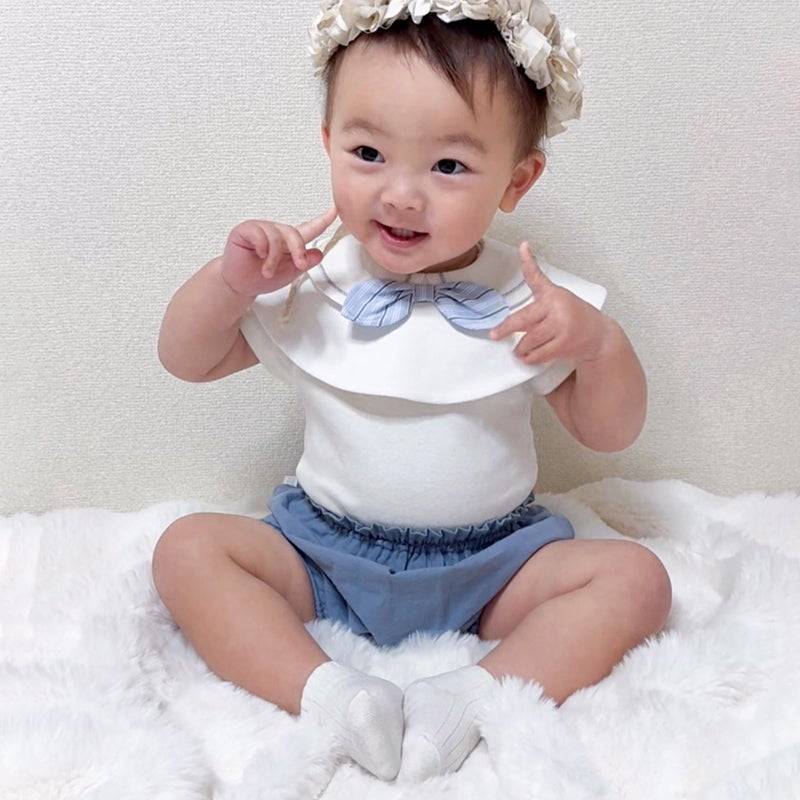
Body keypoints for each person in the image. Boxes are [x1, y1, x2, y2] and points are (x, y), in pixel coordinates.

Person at [152, 0, 672, 784]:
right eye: (368, 152)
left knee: (638, 580)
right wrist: (230, 284)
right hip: (322, 553)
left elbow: (611, 432)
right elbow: (186, 360)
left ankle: (473, 696)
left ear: (517, 181)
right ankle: (328, 693)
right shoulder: (314, 284)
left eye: (448, 166)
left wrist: (600, 345)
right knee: (187, 548)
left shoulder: (528, 301)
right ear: (327, 142)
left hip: (493, 566)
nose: (400, 194)